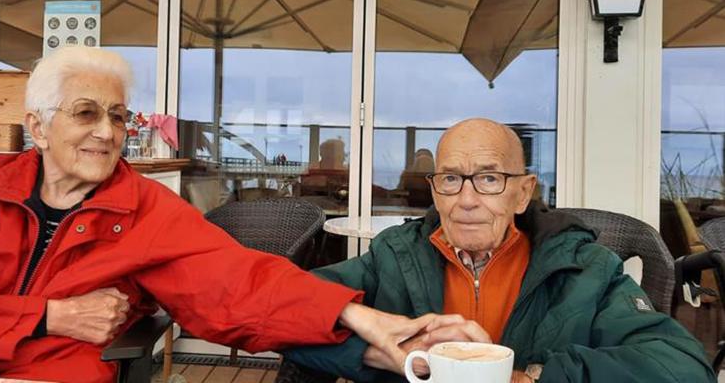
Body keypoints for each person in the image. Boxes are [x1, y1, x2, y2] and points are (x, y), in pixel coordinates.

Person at [0, 47, 434, 383]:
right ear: (38, 127)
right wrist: (49, 316)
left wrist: (356, 315)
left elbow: (239, 283)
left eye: (118, 117)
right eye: (86, 113)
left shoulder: (144, 211)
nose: (107, 132)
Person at [284, 118, 715, 382]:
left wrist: (529, 378)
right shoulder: (394, 257)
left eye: (489, 179)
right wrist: (391, 357)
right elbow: (286, 313)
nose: (467, 200)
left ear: (523, 193)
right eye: (450, 179)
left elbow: (682, 368)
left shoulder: (587, 270)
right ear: (434, 192)